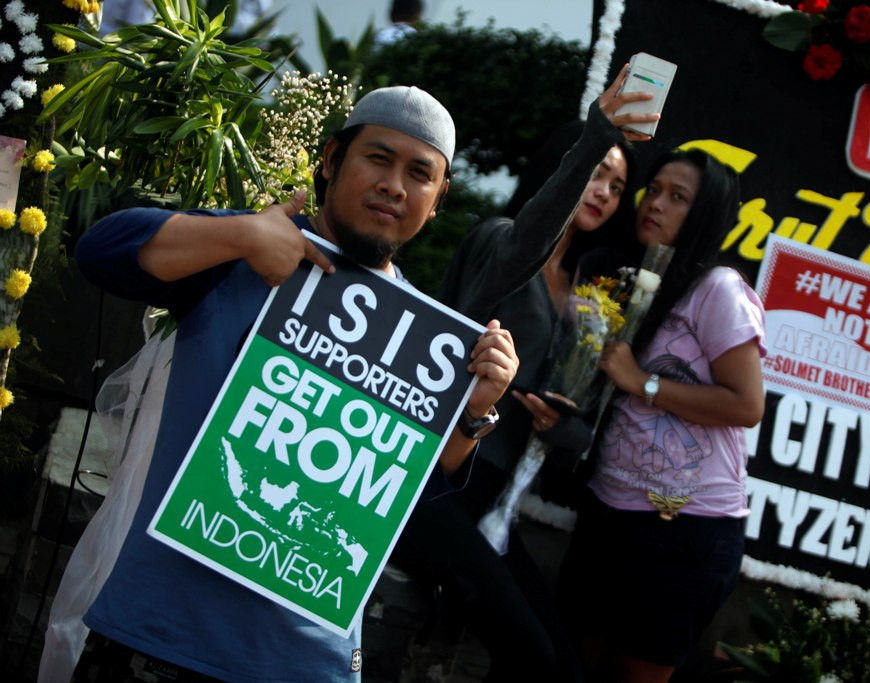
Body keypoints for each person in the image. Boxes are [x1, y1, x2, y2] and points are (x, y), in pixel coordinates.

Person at [63, 85, 518, 683]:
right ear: (330, 160)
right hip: (158, 638)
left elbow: (403, 511)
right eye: (378, 159)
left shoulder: (427, 341)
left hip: (310, 665)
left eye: (419, 173)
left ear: (438, 200)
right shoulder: (251, 247)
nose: (394, 186)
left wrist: (471, 414)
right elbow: (100, 250)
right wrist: (240, 235)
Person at [387, 66, 657, 683]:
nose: (603, 192)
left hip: (502, 500)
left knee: (558, 663)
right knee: (532, 655)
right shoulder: (503, 242)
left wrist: (562, 427)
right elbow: (526, 243)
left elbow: (578, 433)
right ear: (563, 167)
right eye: (594, 172)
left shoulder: (591, 298)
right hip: (437, 479)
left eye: (617, 186)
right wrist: (598, 134)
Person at [558, 148, 767, 683]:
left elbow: (747, 405)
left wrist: (642, 382)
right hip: (606, 511)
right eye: (653, 190)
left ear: (706, 214)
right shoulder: (631, 278)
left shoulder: (717, 288)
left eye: (678, 197)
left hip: (684, 530)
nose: (655, 203)